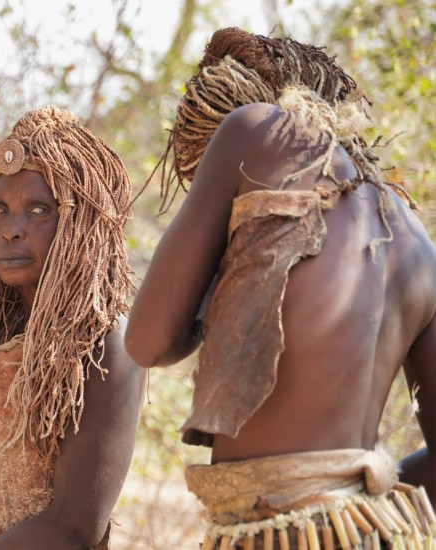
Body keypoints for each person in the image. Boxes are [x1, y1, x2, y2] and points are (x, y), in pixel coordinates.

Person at [126, 27, 436, 547]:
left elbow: (148, 341)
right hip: (365, 531)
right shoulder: (414, 233)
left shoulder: (252, 130)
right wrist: (351, 492)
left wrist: (210, 299)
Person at [0, 107, 144, 550]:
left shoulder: (104, 342)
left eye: (38, 210)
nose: (11, 230)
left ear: (79, 223)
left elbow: (75, 526)